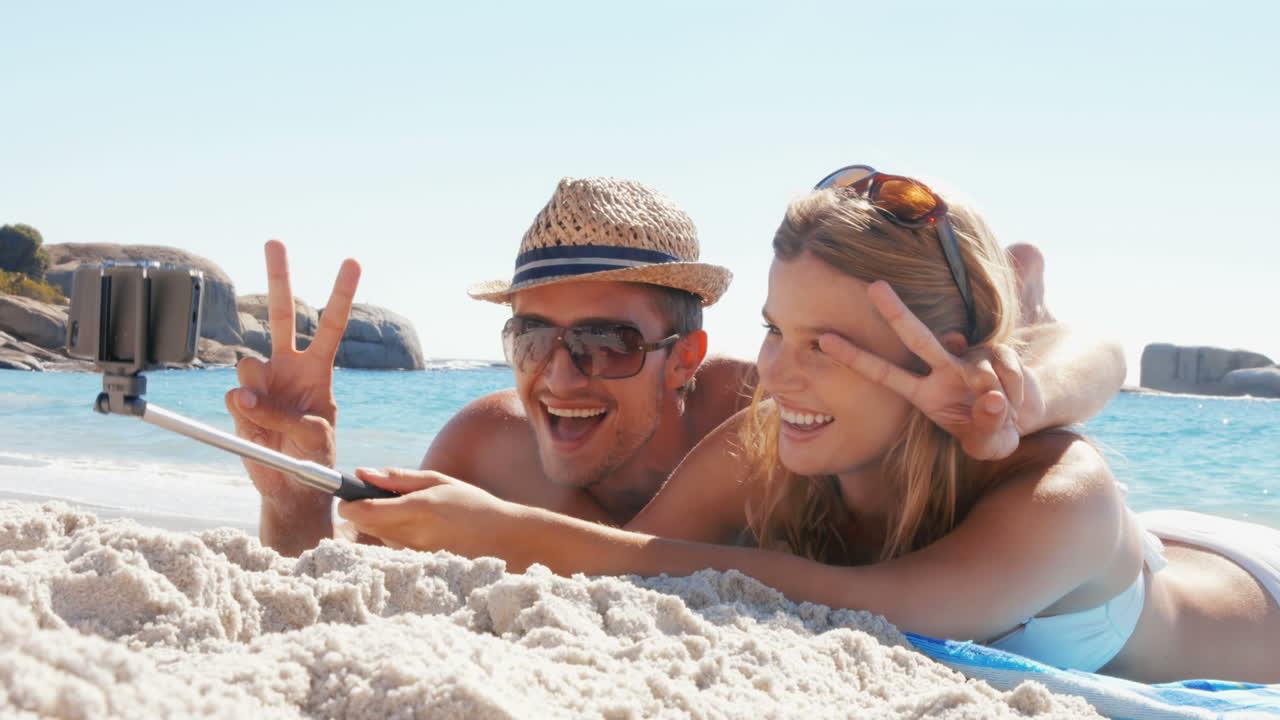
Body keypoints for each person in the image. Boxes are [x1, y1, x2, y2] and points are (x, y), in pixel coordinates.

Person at [332, 167, 1280, 683]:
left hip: (1241, 583)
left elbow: (891, 604)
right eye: (777, 331)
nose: (779, 373)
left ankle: (1019, 313)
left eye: (828, 344)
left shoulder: (1057, 494)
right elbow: (633, 554)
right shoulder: (774, 442)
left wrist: (509, 530)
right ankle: (1016, 309)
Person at [227, 176, 1124, 557]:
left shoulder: (769, 415)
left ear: (686, 355)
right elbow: (333, 585)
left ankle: (1025, 287)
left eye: (608, 343)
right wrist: (295, 495)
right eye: (534, 339)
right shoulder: (482, 449)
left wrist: (1027, 386)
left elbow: (1084, 362)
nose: (561, 377)